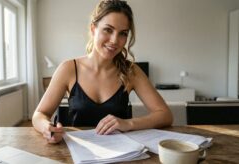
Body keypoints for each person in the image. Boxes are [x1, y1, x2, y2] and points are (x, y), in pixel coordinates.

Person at [32, 0, 173, 144]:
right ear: (93, 29)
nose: (115, 40)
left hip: (122, 153)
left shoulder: (131, 71)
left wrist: (129, 124)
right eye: (108, 30)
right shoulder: (68, 69)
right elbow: (39, 114)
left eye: (123, 33)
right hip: (79, 152)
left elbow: (165, 115)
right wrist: (47, 128)